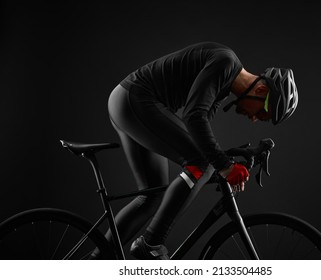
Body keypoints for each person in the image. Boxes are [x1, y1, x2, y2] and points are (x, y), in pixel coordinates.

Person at [103, 42, 298, 260]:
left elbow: (197, 136)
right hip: (136, 99)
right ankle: (150, 245)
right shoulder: (225, 62)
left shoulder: (224, 84)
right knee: (200, 165)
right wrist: (224, 165)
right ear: (261, 90)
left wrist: (229, 156)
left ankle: (94, 261)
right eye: (262, 114)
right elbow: (194, 117)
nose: (254, 120)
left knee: (152, 195)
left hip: (128, 101)